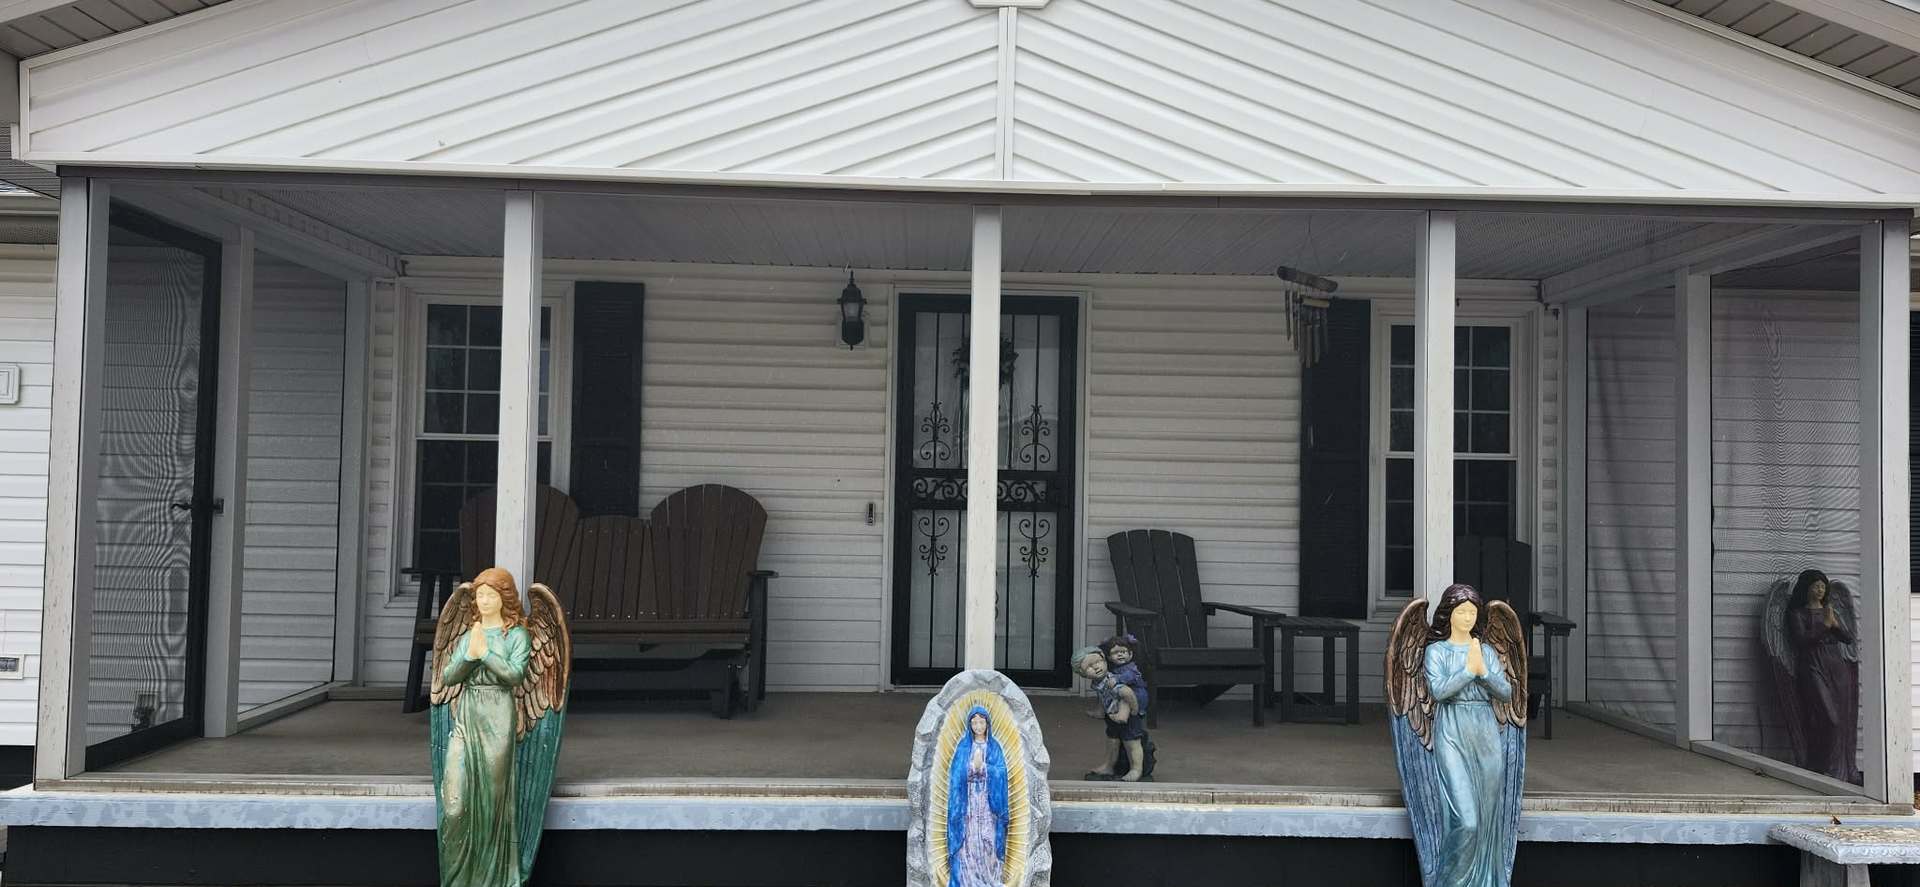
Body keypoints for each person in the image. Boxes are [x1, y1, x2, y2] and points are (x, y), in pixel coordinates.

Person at [435, 567, 533, 887]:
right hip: (467, 714)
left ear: (504, 598)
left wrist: (485, 653)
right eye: (480, 595)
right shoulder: (469, 634)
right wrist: (470, 654)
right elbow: (448, 676)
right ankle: (457, 880)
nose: (485, 600)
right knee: (454, 803)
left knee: (492, 802)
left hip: (498, 716)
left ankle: (491, 879)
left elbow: (514, 675)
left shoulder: (517, 635)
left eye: (491, 594)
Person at [1422, 584, 1518, 887]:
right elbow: (1438, 691)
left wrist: (1485, 671)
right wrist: (1469, 670)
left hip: (1485, 733)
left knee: (1487, 819)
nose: (1466, 618)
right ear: (1448, 614)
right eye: (1461, 611)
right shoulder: (1436, 652)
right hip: (1452, 731)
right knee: (1466, 821)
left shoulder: (1487, 651)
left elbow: (1506, 692)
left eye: (1472, 612)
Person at [1785, 569, 1860, 783]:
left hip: (1835, 666)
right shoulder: (1797, 613)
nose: (1820, 589)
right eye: (1816, 585)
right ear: (1806, 588)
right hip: (1812, 666)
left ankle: (1837, 770)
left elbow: (1848, 639)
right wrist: (1824, 626)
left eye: (1822, 586)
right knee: (1829, 718)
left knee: (1841, 718)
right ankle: (1819, 765)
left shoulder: (1829, 610)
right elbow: (1801, 640)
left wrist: (1834, 624)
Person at [946, 705, 1009, 887]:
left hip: (988, 804)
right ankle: (968, 881)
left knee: (988, 840)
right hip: (969, 803)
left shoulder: (994, 747)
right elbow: (956, 773)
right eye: (974, 722)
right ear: (970, 725)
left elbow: (1001, 772)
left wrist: (985, 768)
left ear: (987, 724)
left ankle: (989, 880)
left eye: (981, 722)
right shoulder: (964, 747)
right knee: (969, 841)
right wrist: (971, 768)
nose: (978, 726)